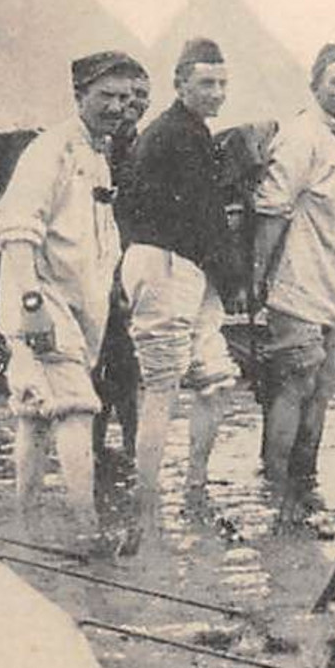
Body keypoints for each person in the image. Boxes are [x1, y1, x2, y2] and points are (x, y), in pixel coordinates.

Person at [0, 52, 134, 551]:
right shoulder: (48, 151)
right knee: (76, 409)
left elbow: (95, 233)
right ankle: (86, 527)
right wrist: (32, 305)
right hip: (42, 298)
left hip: (78, 303)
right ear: (79, 97)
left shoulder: (98, 153)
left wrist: (112, 286)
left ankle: (24, 525)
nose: (118, 107)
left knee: (33, 413)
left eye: (125, 97)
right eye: (106, 97)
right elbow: (16, 229)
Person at [113, 38, 236, 534]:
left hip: (185, 266)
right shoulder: (172, 135)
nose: (216, 92)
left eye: (223, 83)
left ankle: (194, 486)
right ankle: (147, 502)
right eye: (206, 83)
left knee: (215, 378)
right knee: (161, 388)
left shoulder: (189, 132)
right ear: (180, 84)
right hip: (163, 262)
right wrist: (232, 272)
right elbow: (198, 216)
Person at [253, 44, 335, 514]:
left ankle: (305, 487)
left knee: (321, 390)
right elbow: (271, 209)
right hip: (295, 286)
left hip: (332, 291)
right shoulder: (301, 136)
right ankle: (276, 492)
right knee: (292, 387)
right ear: (315, 84)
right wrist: (258, 279)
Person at [92, 64, 149, 473]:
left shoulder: (143, 145)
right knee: (95, 366)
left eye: (141, 96)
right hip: (97, 268)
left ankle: (132, 451)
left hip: (130, 266)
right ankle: (94, 451)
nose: (133, 104)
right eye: (127, 96)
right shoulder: (98, 145)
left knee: (128, 368)